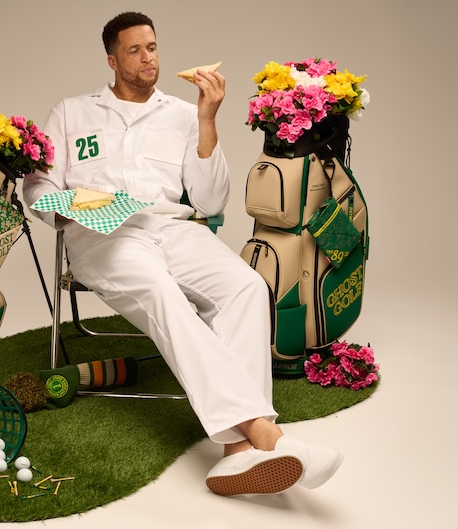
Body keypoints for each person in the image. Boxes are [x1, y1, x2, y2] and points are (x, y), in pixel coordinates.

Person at [23, 11, 343, 496]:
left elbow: (210, 202)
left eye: (152, 47)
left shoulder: (182, 113)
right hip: (104, 235)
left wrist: (207, 119)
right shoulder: (71, 112)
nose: (147, 57)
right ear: (112, 60)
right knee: (161, 292)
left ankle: (236, 456)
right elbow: (39, 184)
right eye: (134, 50)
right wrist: (67, 210)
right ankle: (265, 435)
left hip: (174, 228)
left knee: (246, 287)